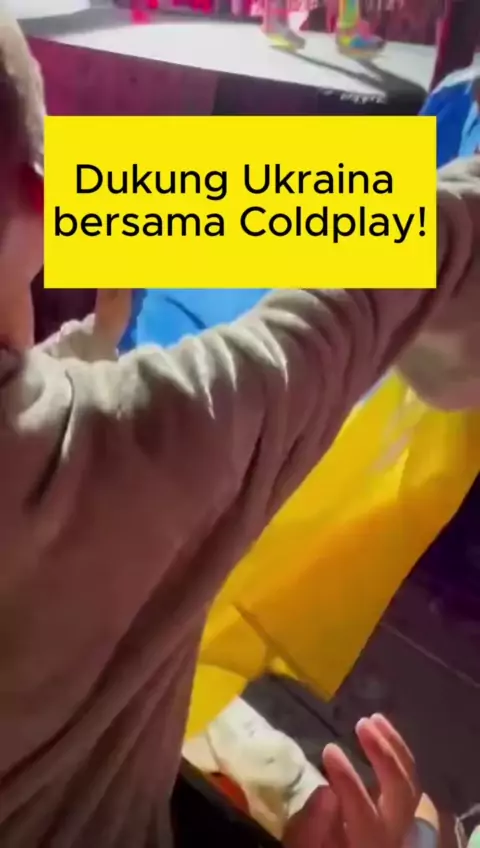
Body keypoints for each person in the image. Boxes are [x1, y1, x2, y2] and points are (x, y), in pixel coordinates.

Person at [1, 10, 480, 847]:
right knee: (420, 830)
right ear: (40, 203)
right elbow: (405, 265)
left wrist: (97, 298)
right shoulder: (145, 448)